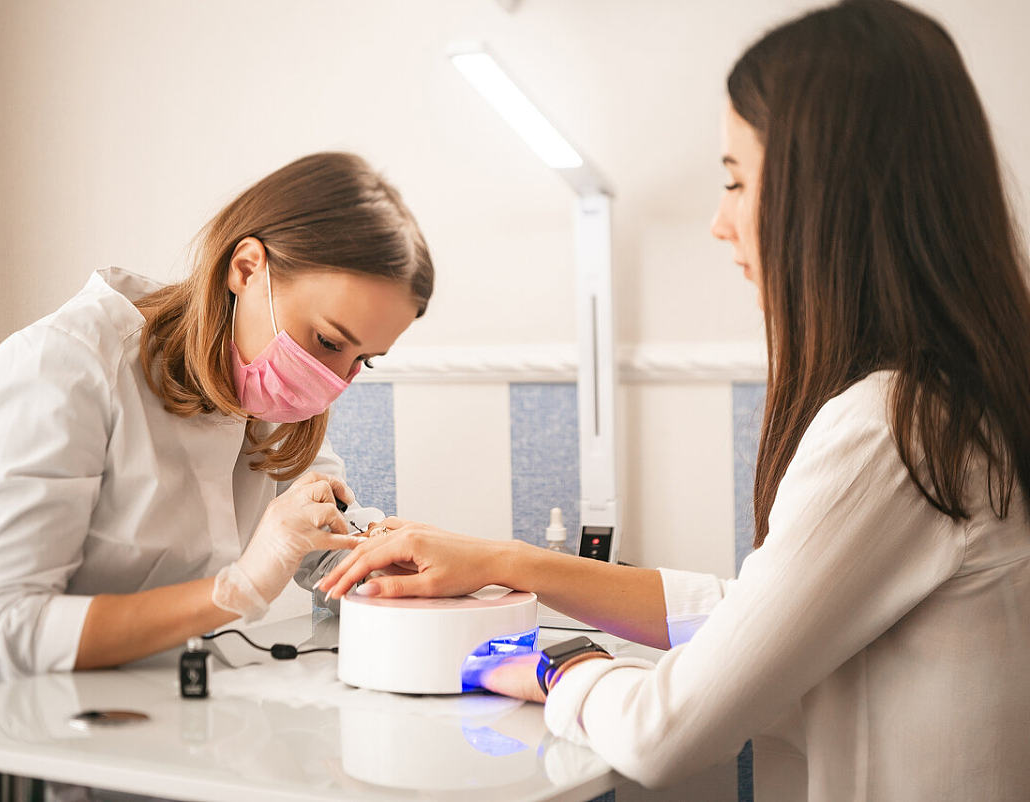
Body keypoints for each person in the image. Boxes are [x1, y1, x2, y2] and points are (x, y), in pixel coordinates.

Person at [319, 1, 1030, 798]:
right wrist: (504, 561)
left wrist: (559, 670)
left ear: (829, 194)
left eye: (736, 181)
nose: (721, 223)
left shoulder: (894, 431)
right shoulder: (962, 402)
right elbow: (753, 617)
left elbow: (665, 730)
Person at [0, 151, 434, 800]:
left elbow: (323, 534)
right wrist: (240, 585)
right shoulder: (62, 369)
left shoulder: (266, 389)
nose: (333, 383)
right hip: (8, 757)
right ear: (246, 268)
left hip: (158, 739)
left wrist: (396, 555)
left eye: (362, 362)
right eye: (326, 341)